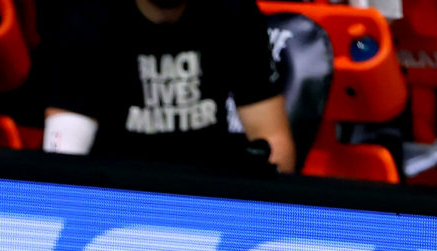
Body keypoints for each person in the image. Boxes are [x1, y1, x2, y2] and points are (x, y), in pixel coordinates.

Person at [40, 0, 294, 172]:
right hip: (116, 192)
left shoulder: (233, 10)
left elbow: (272, 139)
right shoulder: (86, 16)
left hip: (208, 189)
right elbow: (64, 157)